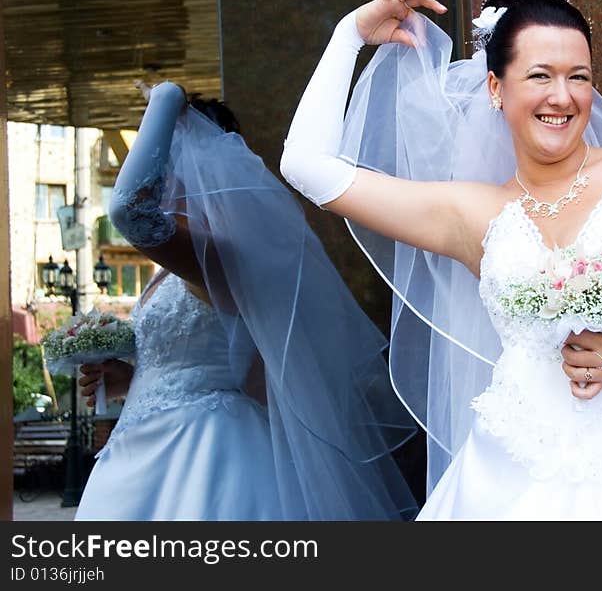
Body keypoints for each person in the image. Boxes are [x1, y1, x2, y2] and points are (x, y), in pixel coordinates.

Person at [280, 0, 602, 520]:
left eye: (579, 77)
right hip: (512, 481)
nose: (561, 97)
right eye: (539, 75)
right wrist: (350, 33)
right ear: (496, 88)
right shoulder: (473, 213)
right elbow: (306, 167)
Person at [75, 82, 417, 520]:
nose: (152, 169)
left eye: (160, 152)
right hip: (146, 444)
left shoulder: (218, 254)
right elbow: (222, 362)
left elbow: (129, 212)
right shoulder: (177, 265)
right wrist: (133, 378)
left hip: (202, 455)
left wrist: (165, 97)